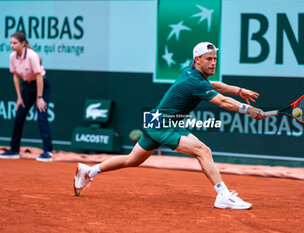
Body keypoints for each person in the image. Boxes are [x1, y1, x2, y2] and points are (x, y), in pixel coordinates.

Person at [74, 42, 265, 209]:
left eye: (215, 58)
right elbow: (222, 101)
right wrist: (247, 109)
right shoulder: (195, 81)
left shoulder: (191, 73)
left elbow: (216, 86)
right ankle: (223, 195)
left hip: (156, 121)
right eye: (208, 59)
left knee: (131, 160)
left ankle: (88, 171)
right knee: (203, 151)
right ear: (197, 59)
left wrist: (240, 91)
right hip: (162, 125)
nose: (213, 62)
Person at [0, 31, 53, 162]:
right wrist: (19, 97)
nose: (12, 45)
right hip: (27, 88)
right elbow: (16, 76)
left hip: (41, 86)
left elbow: (39, 76)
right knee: (19, 116)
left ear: (23, 43)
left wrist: (39, 97)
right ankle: (14, 150)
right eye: (11, 43)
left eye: (15, 43)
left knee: (41, 117)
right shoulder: (12, 56)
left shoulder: (32, 56)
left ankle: (48, 152)